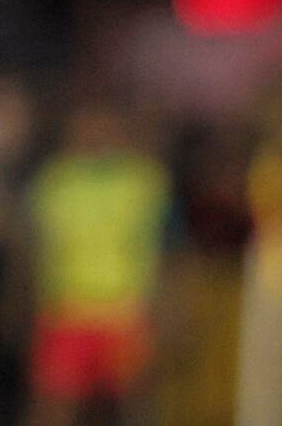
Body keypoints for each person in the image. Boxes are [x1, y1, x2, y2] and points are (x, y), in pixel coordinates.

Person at [19, 99, 169, 426]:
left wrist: (164, 308)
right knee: (56, 405)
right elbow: (32, 249)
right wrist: (26, 304)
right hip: (66, 310)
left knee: (131, 405)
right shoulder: (54, 181)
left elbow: (164, 248)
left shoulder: (142, 180)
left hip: (124, 312)